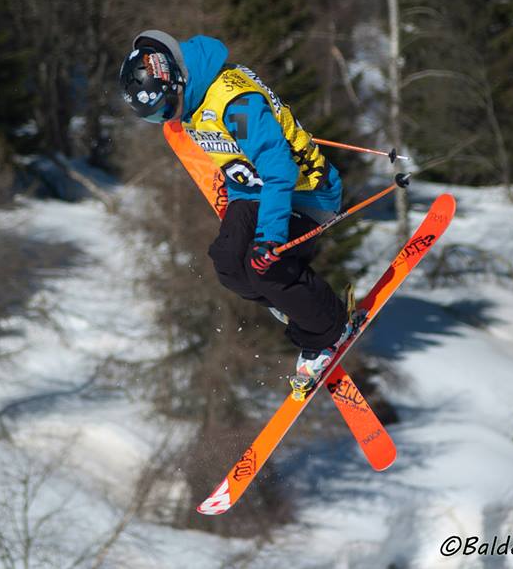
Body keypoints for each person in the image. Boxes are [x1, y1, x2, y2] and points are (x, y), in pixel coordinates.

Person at [119, 29, 355, 394]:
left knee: (265, 268)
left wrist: (269, 238)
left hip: (306, 195)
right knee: (229, 264)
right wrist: (238, 221)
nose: (165, 118)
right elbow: (232, 160)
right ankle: (296, 301)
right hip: (254, 193)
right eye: (154, 118)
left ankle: (330, 328)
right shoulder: (192, 104)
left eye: (164, 108)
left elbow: (280, 170)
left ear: (177, 81)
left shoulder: (234, 102)